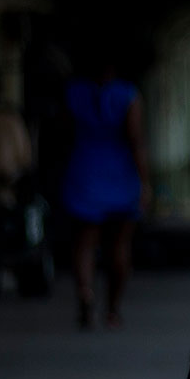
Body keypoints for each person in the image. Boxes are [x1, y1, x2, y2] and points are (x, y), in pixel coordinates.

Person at [60, 51, 150, 330]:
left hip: (83, 167)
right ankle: (112, 309)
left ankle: (85, 294)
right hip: (119, 172)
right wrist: (145, 181)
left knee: (84, 243)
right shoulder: (127, 94)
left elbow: (62, 134)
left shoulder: (73, 93)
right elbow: (135, 139)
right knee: (119, 246)